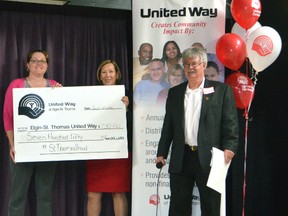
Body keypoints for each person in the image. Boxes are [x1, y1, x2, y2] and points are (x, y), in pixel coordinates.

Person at [155, 47, 239, 216]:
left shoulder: (221, 91)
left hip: (210, 158)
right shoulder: (175, 93)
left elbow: (230, 123)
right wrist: (161, 152)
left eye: (194, 63)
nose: (190, 67)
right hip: (182, 157)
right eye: (186, 64)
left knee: (211, 207)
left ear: (203, 65)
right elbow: (168, 126)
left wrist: (230, 147)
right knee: (178, 206)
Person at [3, 49, 62, 216]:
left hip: (48, 148)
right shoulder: (16, 85)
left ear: (47, 66)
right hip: (22, 147)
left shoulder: (55, 86)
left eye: (42, 61)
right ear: (27, 65)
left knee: (45, 196)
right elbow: (7, 117)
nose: (39, 64)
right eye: (34, 60)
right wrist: (12, 144)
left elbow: (64, 116)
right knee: (17, 196)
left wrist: (63, 95)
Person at [86, 59, 131, 216]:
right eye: (104, 72)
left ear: (117, 74)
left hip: (118, 151)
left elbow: (134, 125)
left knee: (118, 193)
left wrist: (126, 110)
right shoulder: (90, 95)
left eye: (111, 71)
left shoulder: (127, 95)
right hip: (96, 151)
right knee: (93, 194)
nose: (107, 75)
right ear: (99, 75)